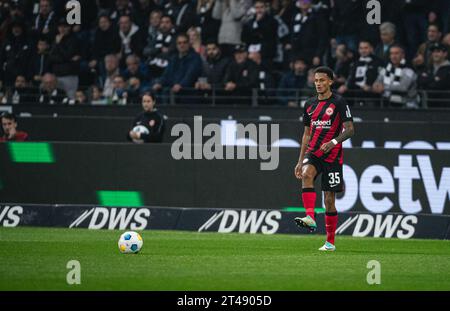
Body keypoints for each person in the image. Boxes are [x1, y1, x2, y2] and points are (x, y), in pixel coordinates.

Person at [293, 66, 355, 252]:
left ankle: (330, 242)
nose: (318, 83)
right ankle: (310, 217)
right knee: (306, 174)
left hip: (333, 156)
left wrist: (334, 141)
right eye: (316, 80)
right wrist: (300, 159)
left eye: (322, 80)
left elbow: (350, 129)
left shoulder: (339, 102)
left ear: (330, 81)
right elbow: (306, 134)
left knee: (329, 200)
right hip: (314, 153)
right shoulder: (309, 104)